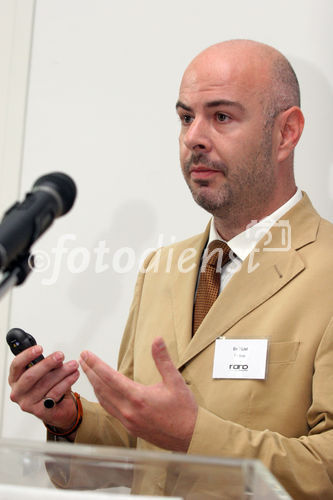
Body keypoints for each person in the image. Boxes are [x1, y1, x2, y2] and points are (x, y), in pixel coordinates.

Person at [8, 39, 333, 499]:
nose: (193, 138)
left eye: (221, 116)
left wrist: (192, 434)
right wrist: (71, 418)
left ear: (286, 133)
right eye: (185, 117)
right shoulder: (161, 269)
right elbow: (140, 447)